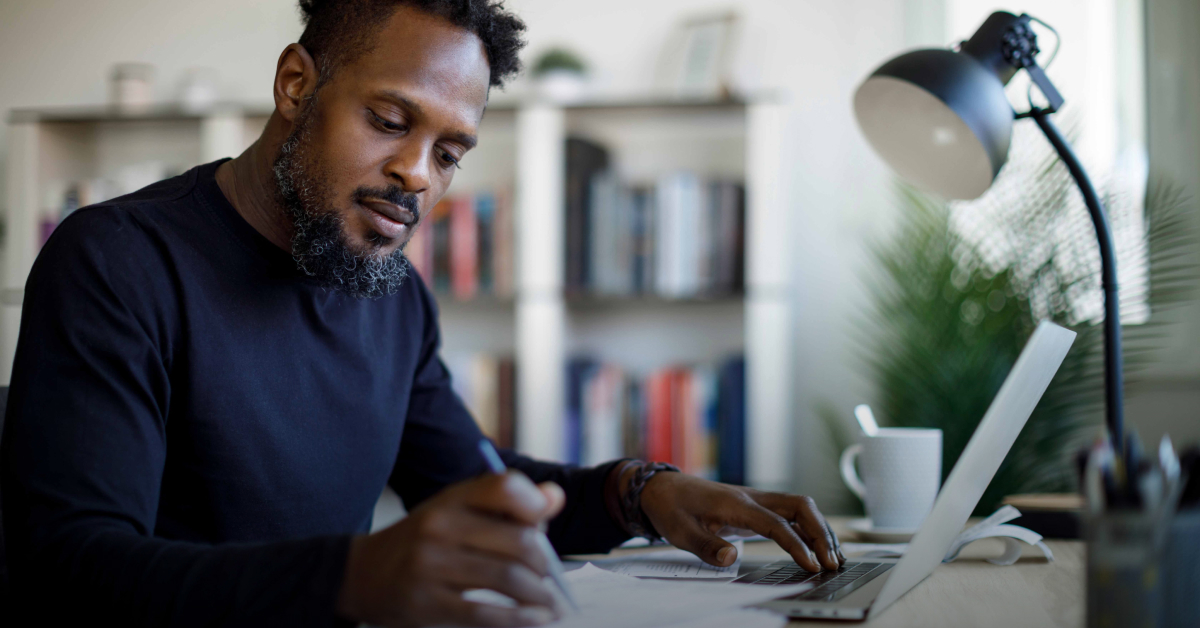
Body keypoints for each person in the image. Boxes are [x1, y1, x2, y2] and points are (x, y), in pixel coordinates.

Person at [0, 1, 845, 626]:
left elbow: (481, 485)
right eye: (390, 120)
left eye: (448, 152)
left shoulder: (395, 298)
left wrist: (638, 493)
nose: (417, 175)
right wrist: (352, 579)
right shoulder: (117, 262)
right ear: (296, 84)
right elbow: (73, 568)